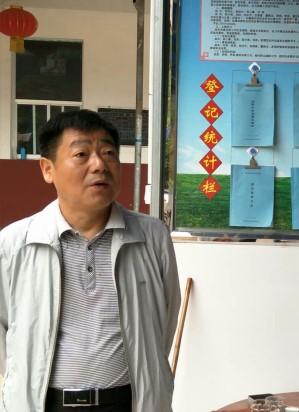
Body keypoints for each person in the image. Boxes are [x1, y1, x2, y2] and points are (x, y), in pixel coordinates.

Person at [0, 110, 181, 411]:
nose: (99, 165)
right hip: (46, 404)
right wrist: (23, 382)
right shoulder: (14, 243)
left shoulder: (151, 236)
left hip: (129, 403)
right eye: (81, 154)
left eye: (108, 153)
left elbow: (164, 321)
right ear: (47, 169)